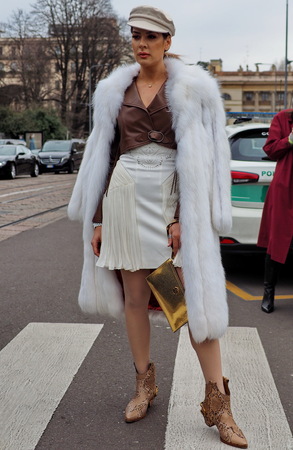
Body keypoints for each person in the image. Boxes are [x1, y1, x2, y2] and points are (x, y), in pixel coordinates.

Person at [68, 5, 247, 448]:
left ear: (168, 41)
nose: (142, 44)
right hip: (125, 198)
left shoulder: (192, 89)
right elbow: (104, 157)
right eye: (135, 36)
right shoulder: (115, 89)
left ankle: (219, 405)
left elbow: (203, 160)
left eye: (151, 37)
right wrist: (99, 218)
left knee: (186, 306)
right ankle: (144, 384)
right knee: (133, 297)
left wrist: (187, 216)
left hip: (171, 200)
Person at [257, 109, 293, 313]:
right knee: (277, 242)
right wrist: (289, 140)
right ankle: (268, 293)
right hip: (285, 189)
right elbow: (270, 149)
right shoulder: (282, 118)